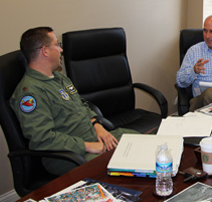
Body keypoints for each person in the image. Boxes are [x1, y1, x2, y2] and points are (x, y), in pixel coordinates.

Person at [10, 27, 137, 176]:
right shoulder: (31, 93)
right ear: (45, 51)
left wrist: (97, 126)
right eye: (57, 45)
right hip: (71, 156)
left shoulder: (59, 78)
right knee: (129, 170)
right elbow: (42, 139)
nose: (61, 50)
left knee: (149, 145)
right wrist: (87, 146)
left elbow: (82, 106)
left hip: (94, 137)